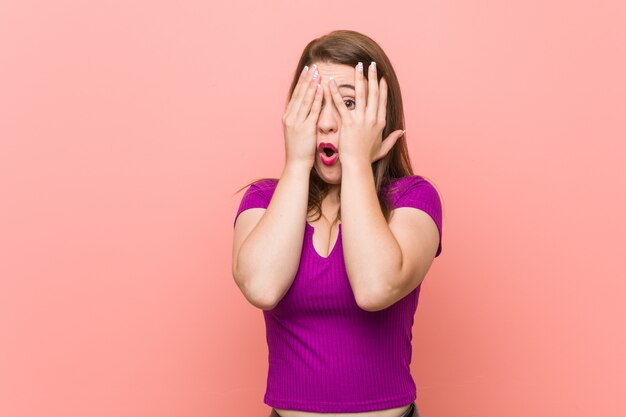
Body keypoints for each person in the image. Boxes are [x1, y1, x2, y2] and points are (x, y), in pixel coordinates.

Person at [232, 30, 442, 417]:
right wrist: (296, 162)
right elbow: (261, 287)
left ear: (380, 114)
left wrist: (358, 162)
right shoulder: (263, 200)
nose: (328, 122)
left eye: (348, 103)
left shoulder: (413, 199)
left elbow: (376, 288)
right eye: (314, 104)